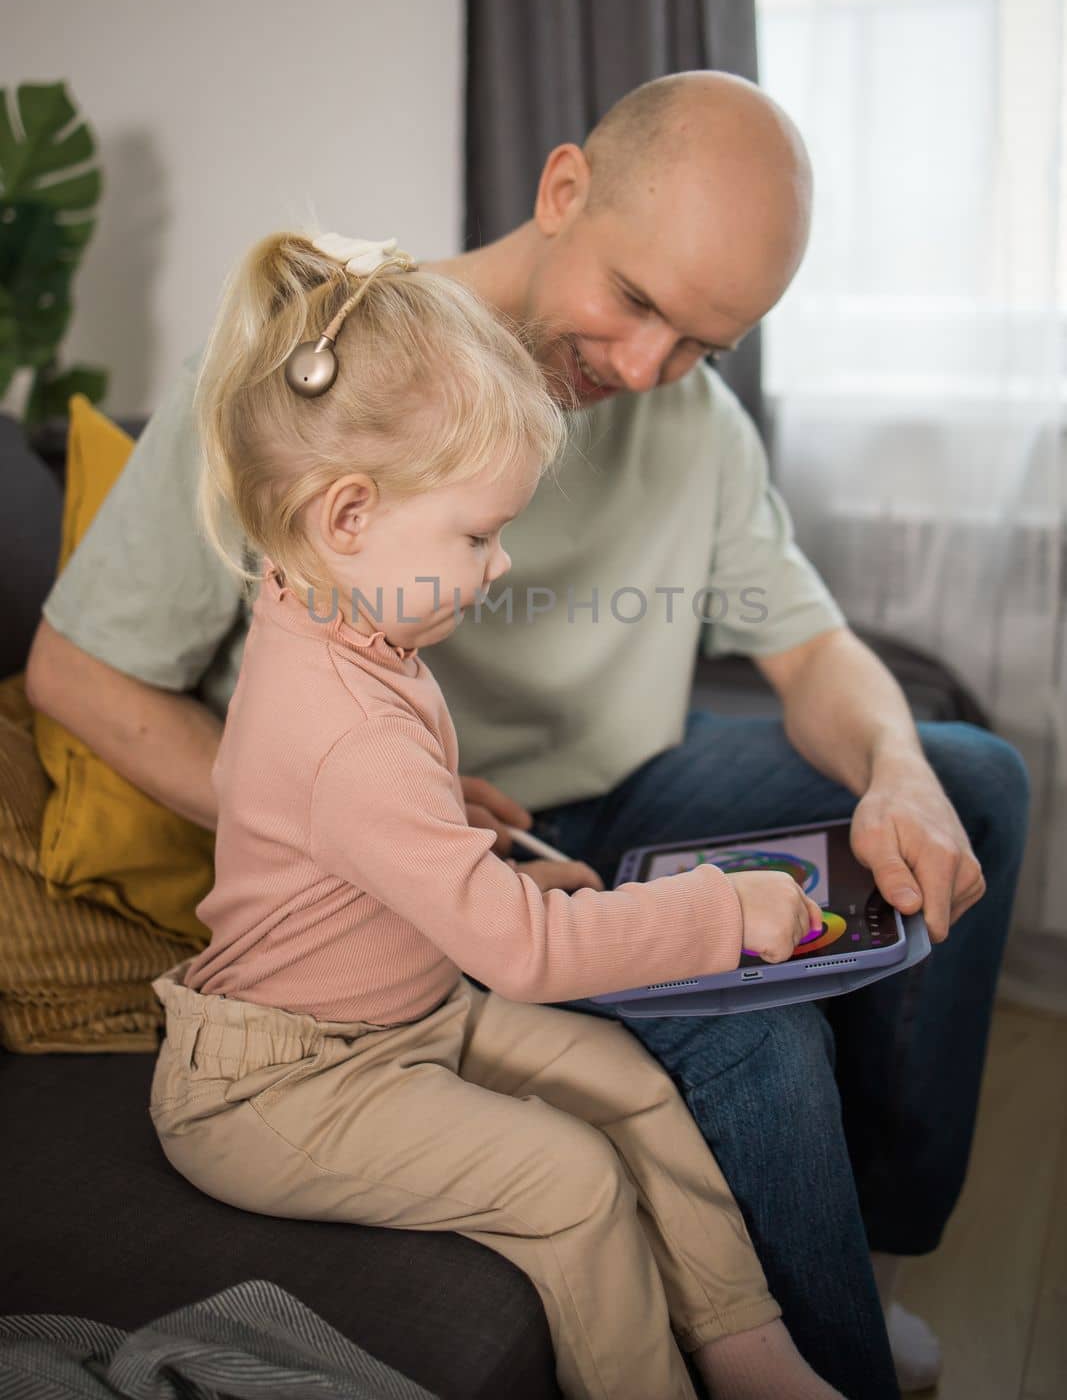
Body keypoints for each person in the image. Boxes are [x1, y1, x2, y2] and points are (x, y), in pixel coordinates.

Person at [26, 72, 1029, 1398]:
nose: (642, 371)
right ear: (562, 192)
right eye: (633, 304)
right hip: (419, 851)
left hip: (595, 796)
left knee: (969, 778)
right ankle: (817, 1345)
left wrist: (892, 772)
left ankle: (871, 1242)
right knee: (744, 1026)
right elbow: (74, 674)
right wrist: (353, 828)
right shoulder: (309, 377)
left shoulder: (685, 414)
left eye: (700, 346)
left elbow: (807, 646)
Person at [148, 227, 848, 1400]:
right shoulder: (350, 722)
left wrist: (483, 854)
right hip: (280, 1086)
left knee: (628, 1080)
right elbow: (517, 956)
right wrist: (722, 910)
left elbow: (366, 851)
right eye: (475, 534)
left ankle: (748, 1348)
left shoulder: (326, 610)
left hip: (398, 1015)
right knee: (567, 1176)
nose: (493, 565)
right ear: (348, 516)